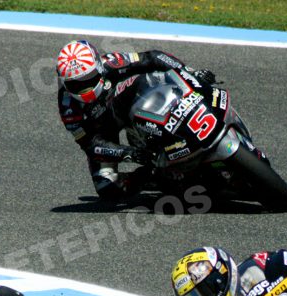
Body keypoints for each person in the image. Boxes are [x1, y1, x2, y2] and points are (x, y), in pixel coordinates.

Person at [56, 40, 216, 203]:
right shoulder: (67, 107)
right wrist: (128, 154)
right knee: (107, 189)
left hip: (137, 107)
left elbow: (153, 57)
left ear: (98, 67)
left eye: (89, 78)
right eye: (75, 84)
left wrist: (189, 72)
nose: (84, 88)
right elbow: (91, 145)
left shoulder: (112, 62)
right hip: (104, 131)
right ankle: (152, 175)